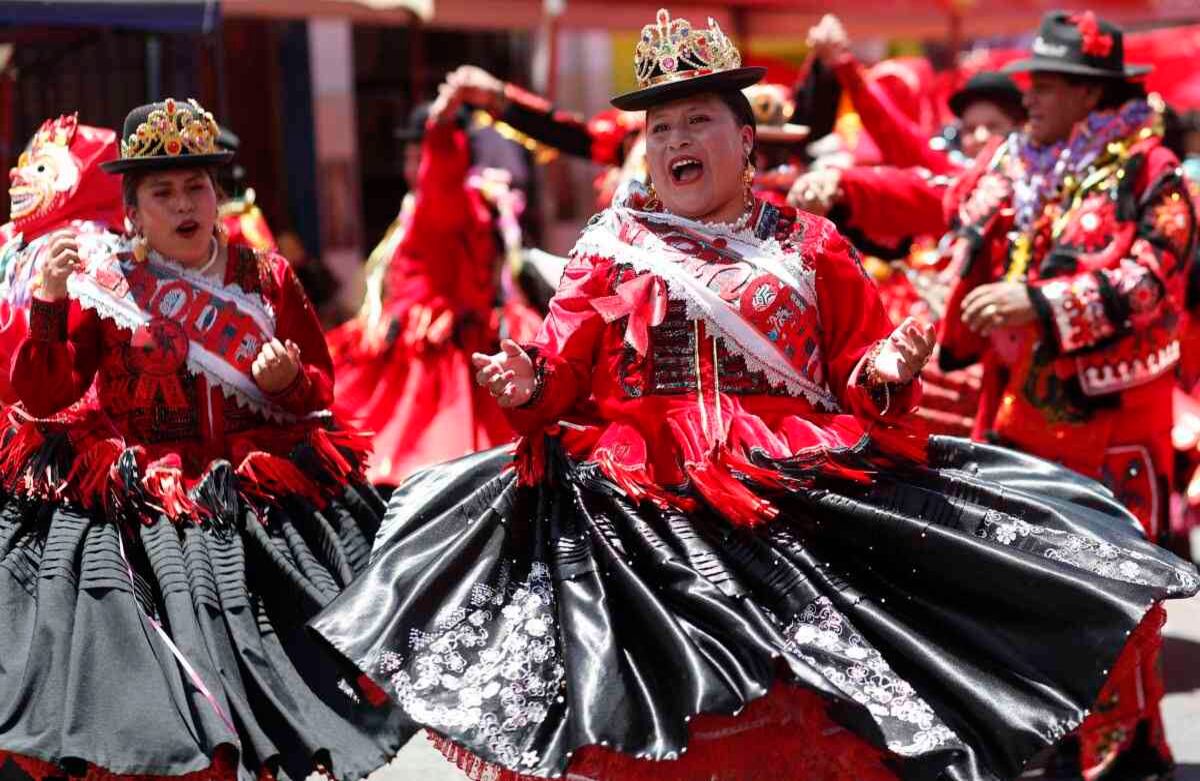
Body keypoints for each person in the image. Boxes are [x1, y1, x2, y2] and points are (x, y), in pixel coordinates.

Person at [310, 11, 1197, 781]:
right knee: (666, 713)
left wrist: (886, 371)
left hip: (794, 505)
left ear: (746, 142)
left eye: (698, 121)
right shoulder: (609, 249)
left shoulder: (811, 247)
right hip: (643, 513)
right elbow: (561, 372)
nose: (675, 142)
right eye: (659, 129)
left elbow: (859, 367)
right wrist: (528, 382)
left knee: (808, 704)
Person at [0, 98, 405, 781]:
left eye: (197, 187)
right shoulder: (108, 285)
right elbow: (44, 395)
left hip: (253, 500)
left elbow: (319, 388)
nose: (184, 203)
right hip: (152, 506)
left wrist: (286, 382)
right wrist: (47, 303)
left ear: (218, 196)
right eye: (163, 191)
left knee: (288, 673)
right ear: (130, 211)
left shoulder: (266, 278)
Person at [939, 11, 1197, 778]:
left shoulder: (1149, 172)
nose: (1032, 96)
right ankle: (1047, 747)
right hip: (1017, 424)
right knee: (1024, 597)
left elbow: (1154, 278)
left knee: (1112, 603)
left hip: (1108, 433)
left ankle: (1119, 758)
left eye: (1047, 83)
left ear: (1091, 94)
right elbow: (933, 196)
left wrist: (1042, 303)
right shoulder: (1022, 166)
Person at [326, 99, 540, 486]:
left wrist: (441, 133)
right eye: (410, 158)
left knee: (425, 456)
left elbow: (442, 174)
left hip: (437, 353)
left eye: (418, 157)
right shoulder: (437, 203)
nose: (413, 169)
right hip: (427, 341)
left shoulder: (451, 200)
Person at [0, 115, 123, 402]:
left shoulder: (90, 247)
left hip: (50, 411)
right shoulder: (10, 239)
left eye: (40, 168)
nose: (16, 176)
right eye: (24, 165)